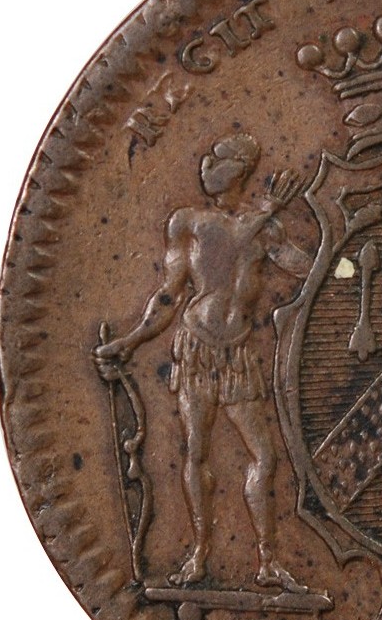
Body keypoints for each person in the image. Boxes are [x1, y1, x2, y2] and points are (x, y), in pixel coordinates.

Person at [95, 134, 310, 590]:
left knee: (264, 456)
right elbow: (170, 294)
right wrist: (132, 341)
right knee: (197, 451)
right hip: (196, 349)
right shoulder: (188, 223)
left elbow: (304, 267)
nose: (207, 168)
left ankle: (268, 561)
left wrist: (346, 252)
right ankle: (198, 555)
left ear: (241, 169)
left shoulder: (263, 226)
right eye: (209, 159)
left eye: (220, 160)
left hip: (238, 354)